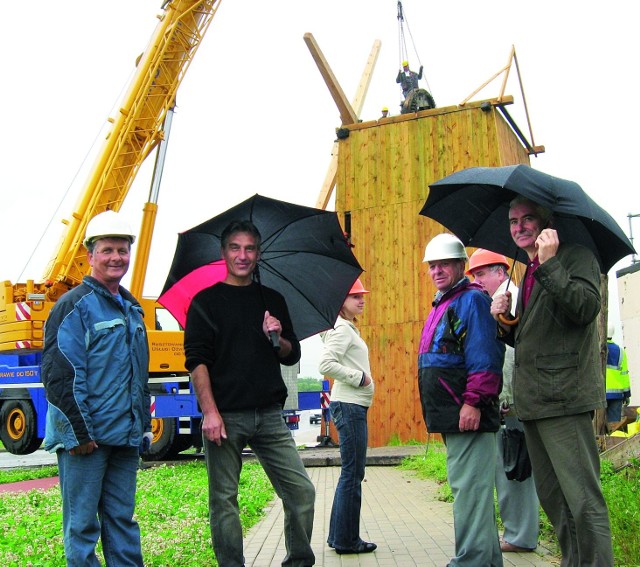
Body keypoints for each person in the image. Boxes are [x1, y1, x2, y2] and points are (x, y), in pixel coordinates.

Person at [183, 219, 315, 567]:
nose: (243, 255)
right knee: (224, 499)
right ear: (224, 252)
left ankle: (299, 561)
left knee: (301, 492)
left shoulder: (271, 300)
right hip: (225, 415)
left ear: (258, 253)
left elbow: (292, 353)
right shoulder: (204, 303)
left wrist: (278, 335)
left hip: (269, 415)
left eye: (250, 248)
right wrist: (209, 412)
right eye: (235, 247)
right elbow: (197, 362)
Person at [491, 196, 614, 566]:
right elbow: (537, 336)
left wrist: (551, 264)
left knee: (582, 499)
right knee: (555, 498)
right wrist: (506, 320)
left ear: (547, 223)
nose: (519, 226)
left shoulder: (575, 258)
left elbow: (584, 309)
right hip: (535, 401)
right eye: (513, 221)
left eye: (528, 218)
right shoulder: (530, 270)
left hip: (564, 399)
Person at [41, 210, 152, 566]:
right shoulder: (74, 307)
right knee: (82, 527)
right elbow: (60, 375)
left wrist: (143, 427)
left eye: (122, 249)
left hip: (124, 438)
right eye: (107, 250)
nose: (116, 257)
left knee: (122, 521)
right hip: (86, 441)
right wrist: (79, 433)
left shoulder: (133, 310)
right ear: (90, 256)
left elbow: (140, 375)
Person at [418, 234, 504, 567]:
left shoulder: (471, 301)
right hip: (452, 415)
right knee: (472, 491)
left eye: (444, 264)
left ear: (460, 266)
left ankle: (470, 562)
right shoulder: (444, 302)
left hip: (467, 413)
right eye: (432, 266)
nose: (437, 271)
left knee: (470, 493)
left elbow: (485, 355)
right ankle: (486, 561)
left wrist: (473, 402)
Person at [466, 249, 539, 553]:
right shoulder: (503, 300)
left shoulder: (509, 301)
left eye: (481, 273)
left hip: (512, 403)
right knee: (514, 467)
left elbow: (509, 357)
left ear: (500, 271)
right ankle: (519, 532)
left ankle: (520, 536)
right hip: (514, 400)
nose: (477, 281)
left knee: (514, 470)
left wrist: (505, 397)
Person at [318, 278, 376, 555]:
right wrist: (359, 377)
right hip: (350, 405)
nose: (362, 299)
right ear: (342, 302)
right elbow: (325, 364)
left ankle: (339, 536)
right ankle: (347, 540)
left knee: (351, 473)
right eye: (355, 296)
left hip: (352, 406)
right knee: (352, 473)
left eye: (362, 295)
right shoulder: (342, 328)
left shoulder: (345, 328)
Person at [606, 322, 631, 424]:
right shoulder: (621, 351)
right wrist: (627, 394)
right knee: (614, 425)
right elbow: (624, 374)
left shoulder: (596, 349)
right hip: (617, 394)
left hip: (600, 394)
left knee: (597, 428)